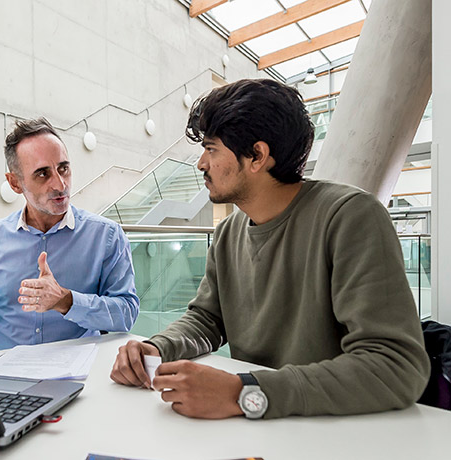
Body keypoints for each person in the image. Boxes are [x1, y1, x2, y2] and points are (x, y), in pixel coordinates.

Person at [110, 79, 430, 420]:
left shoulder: (351, 217)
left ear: (257, 156)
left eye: (212, 149)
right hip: (260, 425)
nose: (201, 163)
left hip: (335, 432)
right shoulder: (228, 232)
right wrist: (158, 347)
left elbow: (395, 366)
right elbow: (207, 318)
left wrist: (244, 391)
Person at [0, 117, 139, 351]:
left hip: (79, 371)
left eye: (63, 168)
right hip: (7, 372)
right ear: (15, 183)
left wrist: (66, 301)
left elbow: (127, 313)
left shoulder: (106, 235)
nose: (60, 184)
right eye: (43, 174)